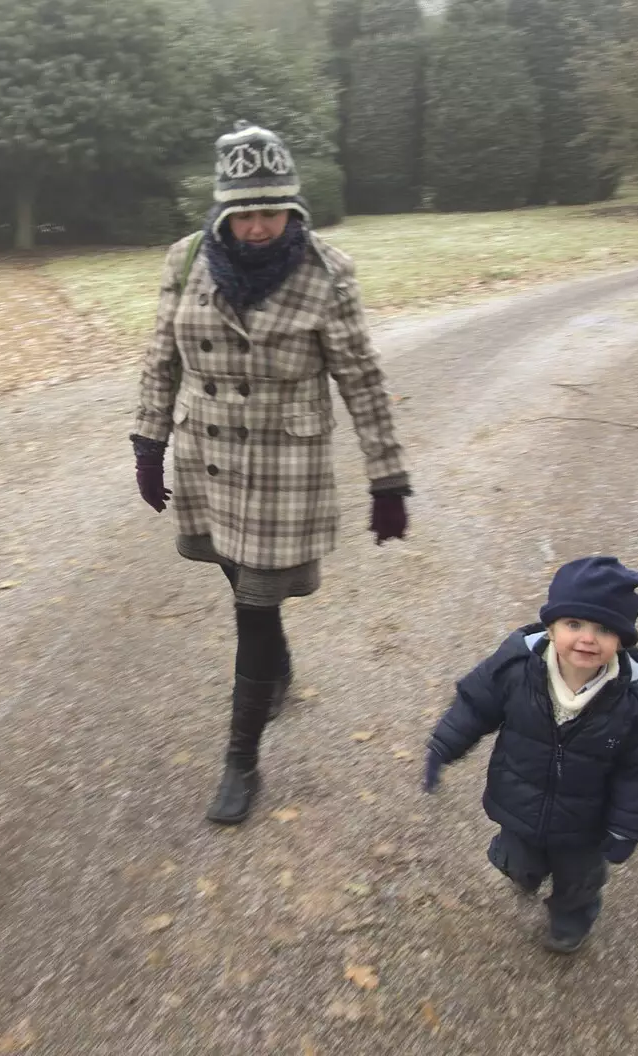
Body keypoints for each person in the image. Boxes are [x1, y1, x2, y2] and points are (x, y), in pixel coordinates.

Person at [129, 122, 410, 826]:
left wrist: (387, 478)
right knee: (240, 581)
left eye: (272, 210)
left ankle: (240, 761)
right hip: (209, 457)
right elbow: (162, 356)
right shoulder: (186, 260)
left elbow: (362, 378)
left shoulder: (326, 270)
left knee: (252, 609)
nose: (258, 226)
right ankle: (277, 670)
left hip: (283, 470)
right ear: (223, 209)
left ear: (294, 207)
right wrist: (148, 440)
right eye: (244, 212)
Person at [420, 556, 638, 953]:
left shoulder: (632, 700)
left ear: (621, 640)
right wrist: (443, 745)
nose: (587, 638)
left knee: (579, 880)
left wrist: (627, 826)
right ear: (551, 628)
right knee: (519, 859)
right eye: (574, 624)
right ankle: (525, 873)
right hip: (520, 800)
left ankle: (571, 921)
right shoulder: (517, 667)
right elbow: (475, 705)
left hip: (587, 822)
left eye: (603, 629)